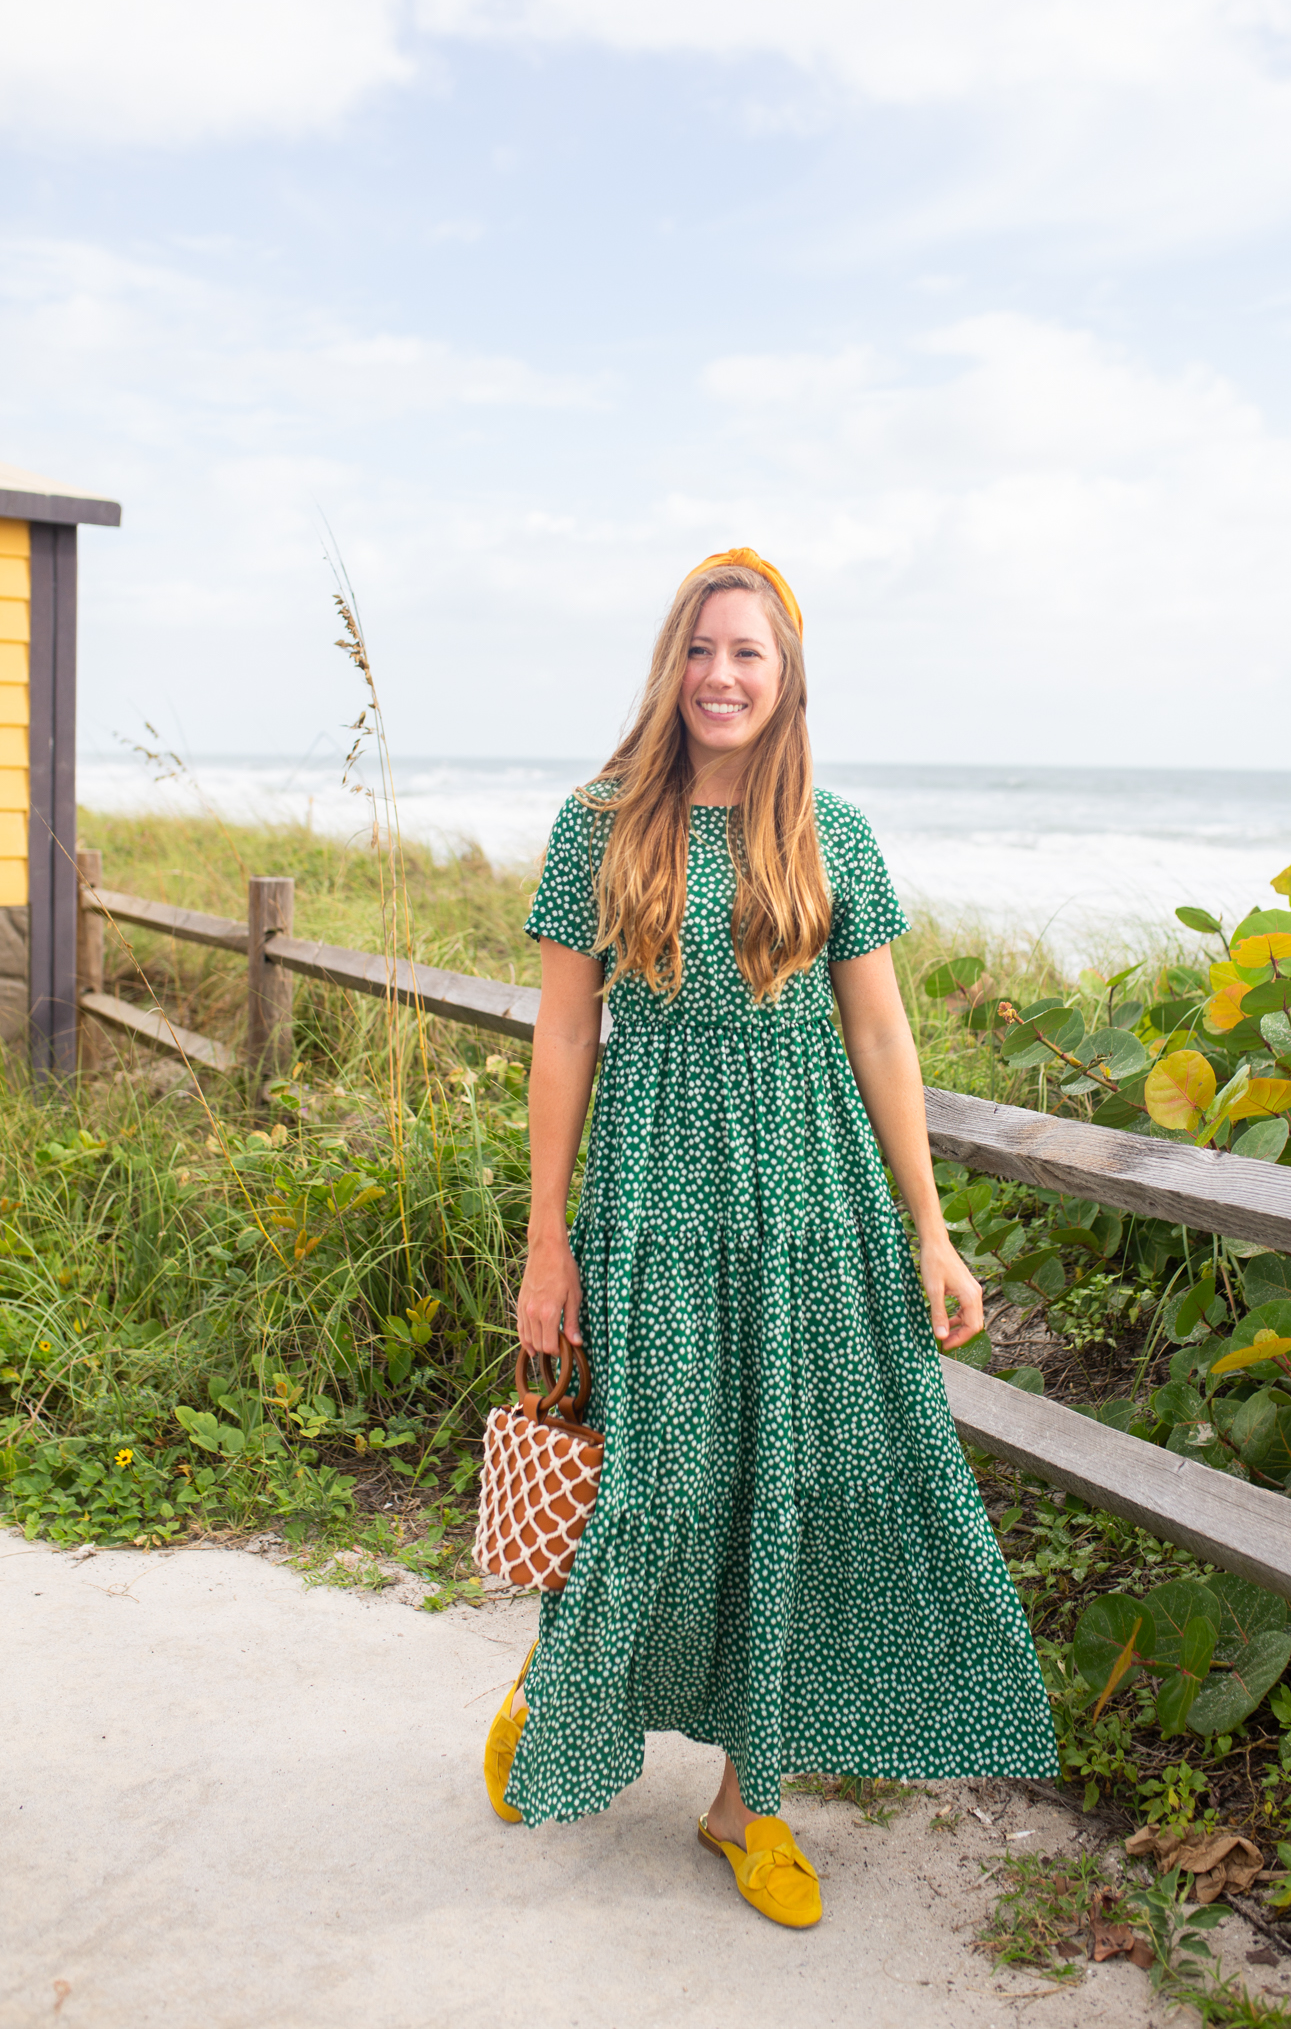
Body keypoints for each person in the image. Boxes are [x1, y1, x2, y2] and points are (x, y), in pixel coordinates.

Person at [486, 549, 1056, 1928]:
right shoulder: (598, 823)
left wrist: (932, 1229)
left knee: (794, 1492)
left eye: (748, 652)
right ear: (670, 666)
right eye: (701, 650)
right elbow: (565, 1036)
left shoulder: (834, 836)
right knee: (656, 1489)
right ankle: (557, 1681)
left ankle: (751, 1801)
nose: (722, 675)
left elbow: (880, 1033)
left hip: (816, 1201)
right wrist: (544, 1239)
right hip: (656, 1200)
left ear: (787, 673)